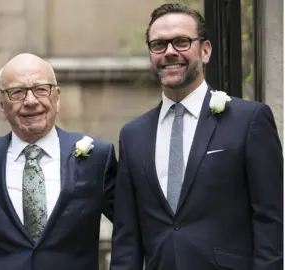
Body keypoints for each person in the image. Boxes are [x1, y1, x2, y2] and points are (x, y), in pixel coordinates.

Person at [110, 3, 283, 270]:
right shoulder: (133, 135)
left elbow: (270, 220)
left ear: (205, 51)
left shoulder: (249, 120)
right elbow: (126, 239)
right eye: (159, 45)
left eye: (181, 42)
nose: (169, 52)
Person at [0, 53, 117, 270]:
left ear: (57, 97)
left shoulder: (97, 158)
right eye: (17, 92)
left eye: (41, 89)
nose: (31, 101)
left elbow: (129, 231)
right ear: (1, 104)